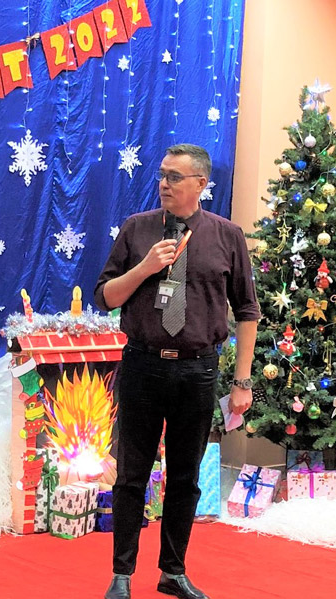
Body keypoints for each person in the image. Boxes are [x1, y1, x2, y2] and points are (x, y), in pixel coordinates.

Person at [93, 144, 260, 599]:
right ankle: (122, 574)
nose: (164, 184)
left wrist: (242, 381)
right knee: (131, 474)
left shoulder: (228, 236)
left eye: (175, 177)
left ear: (201, 184)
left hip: (198, 371)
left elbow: (247, 311)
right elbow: (106, 297)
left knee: (185, 478)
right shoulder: (137, 228)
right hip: (143, 365)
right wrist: (146, 267)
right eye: (162, 175)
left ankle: (173, 571)